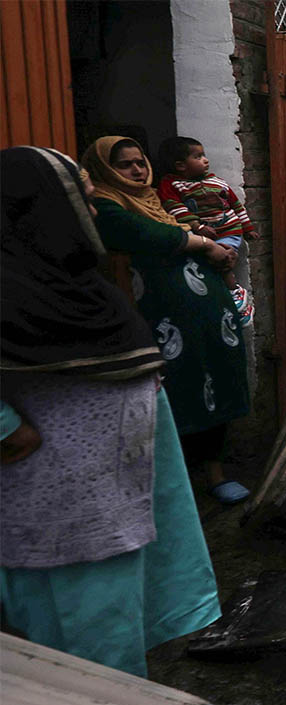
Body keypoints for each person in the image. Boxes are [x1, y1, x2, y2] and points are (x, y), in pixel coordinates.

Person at [0, 145, 221, 677]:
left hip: (115, 493)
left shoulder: (62, 280)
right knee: (73, 644)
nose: (94, 213)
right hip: (60, 505)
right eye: (84, 199)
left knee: (115, 623)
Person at [82, 136, 251, 505]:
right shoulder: (104, 206)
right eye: (125, 164)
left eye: (139, 161)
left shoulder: (155, 200)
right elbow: (151, 235)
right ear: (104, 170)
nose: (136, 170)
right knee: (173, 387)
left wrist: (216, 253)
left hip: (203, 316)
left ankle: (214, 473)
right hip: (156, 317)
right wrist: (203, 244)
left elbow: (180, 232)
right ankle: (172, 482)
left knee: (212, 378)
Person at [157, 137, 257, 325]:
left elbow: (236, 205)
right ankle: (227, 295)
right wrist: (198, 226)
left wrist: (247, 228)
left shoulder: (217, 182)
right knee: (210, 261)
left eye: (204, 155)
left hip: (229, 230)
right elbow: (174, 207)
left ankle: (235, 293)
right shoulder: (171, 184)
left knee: (222, 258)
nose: (206, 160)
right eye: (198, 156)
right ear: (180, 165)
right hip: (202, 233)